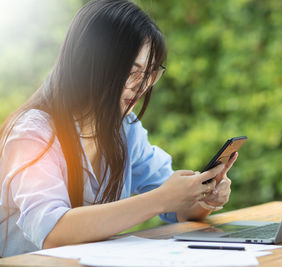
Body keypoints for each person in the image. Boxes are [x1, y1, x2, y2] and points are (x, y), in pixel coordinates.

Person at [0, 0, 238, 257]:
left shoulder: (125, 127)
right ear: (92, 64)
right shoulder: (32, 134)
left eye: (149, 73)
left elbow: (177, 208)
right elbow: (52, 232)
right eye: (133, 72)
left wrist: (204, 196)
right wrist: (161, 199)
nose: (143, 85)